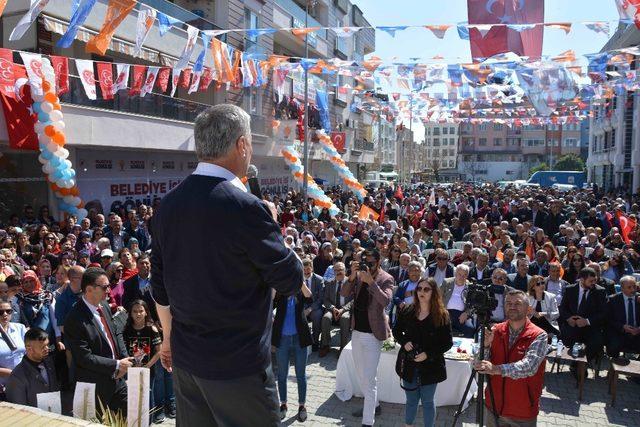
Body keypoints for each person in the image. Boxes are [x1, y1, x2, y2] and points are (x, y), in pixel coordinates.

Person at [150, 104, 303, 426]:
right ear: (242, 145)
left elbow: (160, 287)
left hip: (188, 365)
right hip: (239, 370)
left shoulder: (168, 204)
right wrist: (273, 226)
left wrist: (167, 339)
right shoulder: (245, 207)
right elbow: (290, 279)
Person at [64, 267, 133, 416]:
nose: (109, 290)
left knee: (133, 415)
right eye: (105, 287)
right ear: (89, 289)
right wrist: (116, 365)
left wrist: (124, 360)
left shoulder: (105, 307)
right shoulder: (74, 319)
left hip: (117, 380)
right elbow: (84, 358)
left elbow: (116, 333)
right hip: (94, 386)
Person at [474, 290, 548, 427]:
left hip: (522, 413)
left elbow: (529, 367)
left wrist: (496, 369)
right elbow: (480, 362)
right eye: (508, 303)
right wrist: (484, 347)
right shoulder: (495, 330)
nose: (512, 306)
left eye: (517, 303)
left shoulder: (539, 335)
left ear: (528, 309)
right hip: (494, 406)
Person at [341, 248, 393, 427]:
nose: (367, 266)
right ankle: (375, 405)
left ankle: (367, 421)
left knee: (369, 379)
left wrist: (371, 282)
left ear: (378, 262)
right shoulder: (358, 275)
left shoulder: (386, 278)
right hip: (357, 331)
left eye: (371, 263)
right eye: (365, 262)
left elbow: (386, 301)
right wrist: (352, 276)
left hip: (373, 334)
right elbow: (344, 293)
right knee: (361, 375)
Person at [393, 278, 453, 427]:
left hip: (431, 366)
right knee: (411, 400)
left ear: (434, 293)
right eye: (419, 289)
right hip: (409, 363)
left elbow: (447, 343)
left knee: (427, 401)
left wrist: (428, 354)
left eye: (426, 289)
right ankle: (408, 425)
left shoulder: (442, 315)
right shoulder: (407, 310)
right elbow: (396, 330)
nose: (422, 292)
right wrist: (404, 342)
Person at [272, 280, 313, 422]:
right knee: (282, 375)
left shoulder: (300, 291)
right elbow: (270, 299)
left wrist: (298, 279)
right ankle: (283, 404)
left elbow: (310, 296)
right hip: (282, 339)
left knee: (300, 375)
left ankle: (302, 406)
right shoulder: (280, 293)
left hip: (299, 339)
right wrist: (276, 279)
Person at [122, 299, 162, 423]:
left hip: (148, 370)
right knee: (133, 395)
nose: (138, 314)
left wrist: (148, 366)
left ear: (146, 312)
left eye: (141, 311)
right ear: (130, 313)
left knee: (147, 396)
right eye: (135, 311)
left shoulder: (152, 329)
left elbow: (159, 351)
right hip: (131, 370)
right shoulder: (126, 329)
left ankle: (148, 422)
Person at [558, 267, 607, 365]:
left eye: (595, 280)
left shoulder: (600, 291)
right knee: (566, 336)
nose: (593, 283)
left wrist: (587, 321)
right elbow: (562, 308)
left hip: (590, 325)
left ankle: (582, 364)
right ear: (582, 279)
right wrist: (568, 318)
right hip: (573, 324)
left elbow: (603, 313)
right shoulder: (570, 289)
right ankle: (576, 363)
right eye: (591, 281)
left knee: (597, 341)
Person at [6, 327, 60, 407]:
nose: (47, 349)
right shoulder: (17, 376)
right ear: (29, 349)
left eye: (47, 345)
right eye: (42, 347)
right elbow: (19, 409)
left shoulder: (49, 362)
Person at [320, 262, 353, 356]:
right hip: (332, 308)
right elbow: (325, 299)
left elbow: (353, 300)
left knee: (345, 318)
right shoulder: (329, 283)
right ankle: (325, 345)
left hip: (345, 309)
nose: (338, 272)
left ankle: (343, 347)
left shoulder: (350, 282)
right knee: (326, 318)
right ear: (333, 272)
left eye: (340, 270)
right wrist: (332, 308)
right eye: (336, 270)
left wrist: (343, 309)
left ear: (345, 270)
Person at [605, 275, 640, 359]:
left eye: (634, 286)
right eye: (629, 287)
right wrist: (622, 327)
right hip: (620, 332)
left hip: (638, 332)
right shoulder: (613, 300)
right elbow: (608, 319)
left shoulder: (639, 298)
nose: (633, 289)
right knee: (613, 346)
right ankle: (614, 368)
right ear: (622, 288)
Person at [0, 299, 27, 396]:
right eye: (1, 312)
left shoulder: (20, 328)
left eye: (8, 311)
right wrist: (13, 373)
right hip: (3, 386)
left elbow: (28, 352)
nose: (5, 314)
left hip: (23, 381)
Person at [441, 264, 475, 338]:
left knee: (470, 329)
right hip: (446, 312)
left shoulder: (470, 286)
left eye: (464, 275)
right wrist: (442, 311)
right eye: (459, 274)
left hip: (461, 314)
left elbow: (473, 304)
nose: (461, 277)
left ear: (467, 276)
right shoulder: (446, 282)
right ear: (455, 274)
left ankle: (463, 348)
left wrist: (466, 313)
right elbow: (438, 298)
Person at [121, 254, 156, 321]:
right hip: (138, 321)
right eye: (141, 263)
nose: (144, 265)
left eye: (147, 263)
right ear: (136, 265)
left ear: (150, 264)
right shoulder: (128, 283)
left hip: (158, 318)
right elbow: (126, 302)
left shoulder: (158, 279)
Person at [302, 258, 325, 351]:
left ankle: (315, 341)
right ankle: (302, 341)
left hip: (315, 306)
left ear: (312, 268)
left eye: (308, 269)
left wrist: (310, 309)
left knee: (317, 315)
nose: (306, 271)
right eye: (304, 269)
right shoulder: (298, 279)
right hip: (302, 306)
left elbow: (321, 298)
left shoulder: (319, 280)